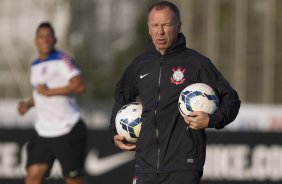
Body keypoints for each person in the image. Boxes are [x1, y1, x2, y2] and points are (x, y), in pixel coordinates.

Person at [110, 1, 241, 184]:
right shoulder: (140, 65)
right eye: (155, 25)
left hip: (183, 165)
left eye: (166, 25)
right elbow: (121, 96)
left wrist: (212, 120)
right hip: (145, 165)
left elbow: (231, 100)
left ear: (178, 26)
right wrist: (113, 133)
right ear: (148, 29)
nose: (160, 32)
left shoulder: (197, 63)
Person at [17, 22, 87, 184]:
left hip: (67, 129)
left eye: (49, 37)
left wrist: (50, 91)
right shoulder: (35, 65)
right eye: (42, 37)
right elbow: (39, 93)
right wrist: (28, 104)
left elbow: (79, 85)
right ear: (36, 41)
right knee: (32, 177)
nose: (45, 40)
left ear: (55, 40)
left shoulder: (63, 60)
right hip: (43, 131)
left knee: (73, 180)